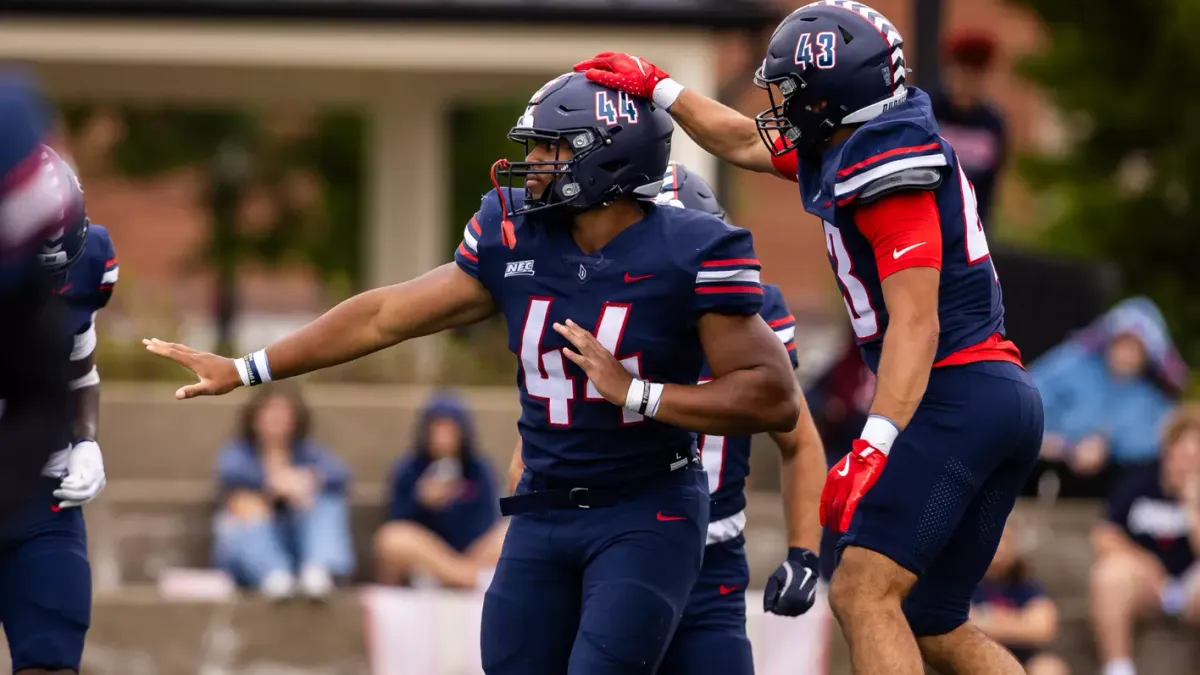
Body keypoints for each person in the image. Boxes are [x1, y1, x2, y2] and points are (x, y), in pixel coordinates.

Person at [144, 72, 800, 675]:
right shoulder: (512, 233)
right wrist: (247, 366)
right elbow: (385, 315)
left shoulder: (690, 248)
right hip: (543, 507)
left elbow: (773, 398)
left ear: (609, 155)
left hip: (645, 508)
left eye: (552, 149)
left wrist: (638, 392)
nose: (534, 164)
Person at [574, 2, 1045, 674]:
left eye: (793, 89)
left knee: (862, 591)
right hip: (989, 392)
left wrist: (873, 443)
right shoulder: (858, 138)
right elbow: (742, 140)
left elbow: (917, 321)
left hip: (955, 391)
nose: (783, 104)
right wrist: (660, 87)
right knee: (932, 623)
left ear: (836, 92)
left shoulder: (891, 173)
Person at [504, 163, 827, 675]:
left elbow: (798, 439)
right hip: (615, 542)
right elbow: (537, 436)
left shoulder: (748, 317)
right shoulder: (600, 298)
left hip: (711, 559)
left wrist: (805, 552)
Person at [0, 139, 113, 675]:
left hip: (38, 489)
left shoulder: (90, 260)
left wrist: (85, 439)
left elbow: (79, 365)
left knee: (52, 659)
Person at [1031, 297, 1186, 498]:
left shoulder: (1152, 395)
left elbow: (1161, 442)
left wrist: (1108, 447)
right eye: (1121, 343)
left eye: (1135, 348)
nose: (1125, 355)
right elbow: (1024, 402)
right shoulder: (1071, 363)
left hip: (1110, 490)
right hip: (1043, 471)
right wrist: (1062, 444)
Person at [212, 385, 353, 600]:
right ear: (254, 416)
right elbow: (231, 473)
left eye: (284, 412)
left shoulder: (307, 452)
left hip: (295, 540)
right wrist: (275, 484)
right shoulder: (239, 452)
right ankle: (272, 573)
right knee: (244, 504)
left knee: (327, 502)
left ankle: (319, 569)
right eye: (269, 411)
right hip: (249, 547)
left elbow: (340, 474)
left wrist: (308, 480)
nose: (276, 418)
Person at [1090, 404, 1200, 675]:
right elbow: (1104, 536)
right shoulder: (1139, 483)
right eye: (1184, 451)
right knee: (1110, 574)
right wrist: (1145, 562)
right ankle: (1118, 668)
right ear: (1169, 449)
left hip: (1192, 588)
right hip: (1146, 584)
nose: (1190, 461)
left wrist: (1193, 506)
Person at [375, 391, 506, 589]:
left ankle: (453, 577)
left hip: (472, 551)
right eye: (437, 429)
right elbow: (397, 519)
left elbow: (489, 521)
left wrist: (454, 503)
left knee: (509, 532)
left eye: (450, 430)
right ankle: (466, 579)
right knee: (391, 539)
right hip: (427, 554)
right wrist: (423, 503)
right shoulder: (408, 468)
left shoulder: (479, 469)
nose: (443, 438)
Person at [970, 518, 1069, 675]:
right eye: (995, 538)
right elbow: (963, 625)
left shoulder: (1027, 585)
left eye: (1007, 540)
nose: (1000, 547)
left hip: (1023, 659)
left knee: (1050, 667)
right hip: (976, 656)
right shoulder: (962, 585)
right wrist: (1018, 620)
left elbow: (1044, 628)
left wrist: (989, 621)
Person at [930, 31, 1007, 229]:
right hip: (929, 220)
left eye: (976, 72)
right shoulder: (930, 113)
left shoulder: (992, 124)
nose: (969, 80)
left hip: (971, 226)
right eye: (963, 70)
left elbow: (992, 181)